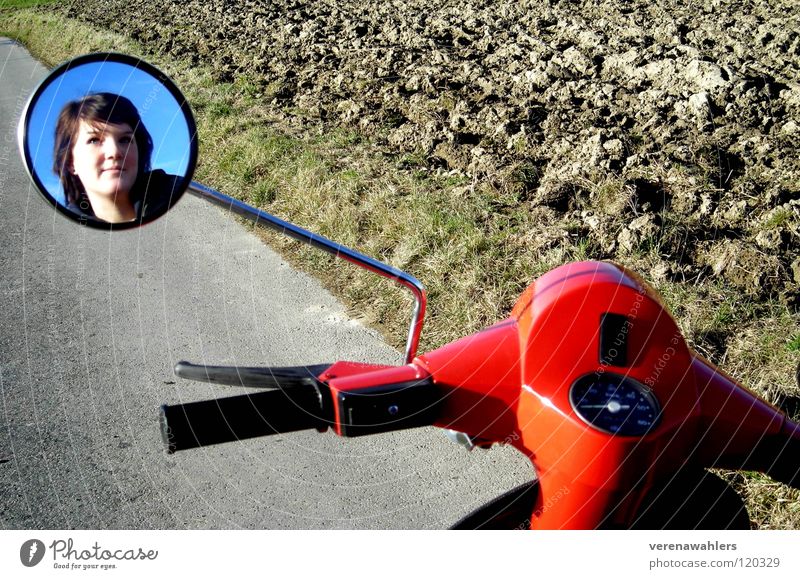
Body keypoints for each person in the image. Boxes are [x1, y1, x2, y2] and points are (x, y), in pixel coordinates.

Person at [53, 92, 181, 224]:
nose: (114, 152)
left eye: (125, 139)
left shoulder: (177, 193)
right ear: (70, 163)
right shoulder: (65, 235)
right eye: (94, 140)